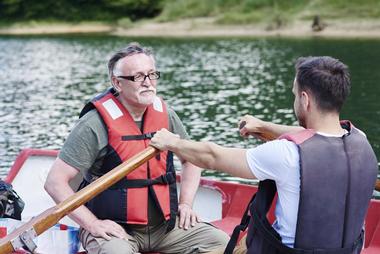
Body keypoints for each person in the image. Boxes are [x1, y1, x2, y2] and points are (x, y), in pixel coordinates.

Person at [150, 56, 378, 254]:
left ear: (305, 100)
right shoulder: (360, 139)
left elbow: (212, 156)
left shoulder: (286, 154)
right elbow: (313, 136)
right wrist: (263, 126)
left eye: (295, 95)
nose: (295, 101)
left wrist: (173, 142)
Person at [44, 42, 229, 254]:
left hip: (164, 227)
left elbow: (192, 160)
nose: (148, 83)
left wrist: (185, 204)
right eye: (138, 77)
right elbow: (55, 182)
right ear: (117, 82)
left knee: (220, 242)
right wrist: (93, 224)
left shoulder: (164, 114)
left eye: (152, 74)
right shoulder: (93, 124)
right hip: (115, 229)